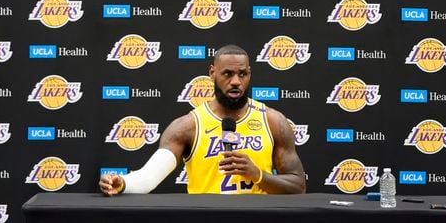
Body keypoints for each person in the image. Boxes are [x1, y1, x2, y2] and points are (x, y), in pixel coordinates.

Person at [99, 44, 306, 195]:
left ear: (249, 74)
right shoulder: (188, 126)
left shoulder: (272, 121)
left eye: (242, 74)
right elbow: (149, 177)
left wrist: (257, 174)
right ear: (212, 73)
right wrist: (123, 182)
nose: (235, 81)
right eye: (227, 74)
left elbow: (298, 186)